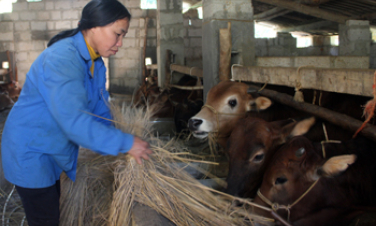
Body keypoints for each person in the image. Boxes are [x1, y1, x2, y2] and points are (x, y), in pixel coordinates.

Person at [1, 0, 152, 225]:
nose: (120, 43)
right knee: (45, 218)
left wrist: (116, 144)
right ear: (94, 26)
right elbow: (75, 121)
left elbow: (100, 110)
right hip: (31, 150)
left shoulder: (96, 62)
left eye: (124, 36)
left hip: (51, 146)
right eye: (117, 34)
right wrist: (126, 142)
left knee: (51, 210)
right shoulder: (62, 58)